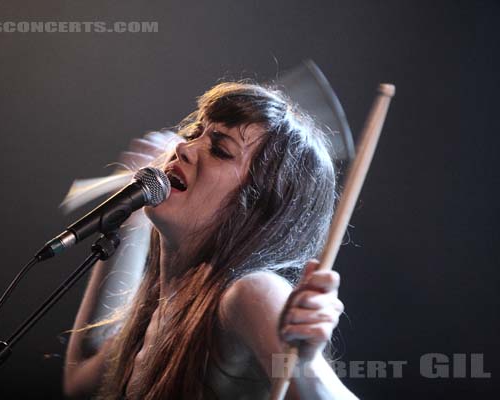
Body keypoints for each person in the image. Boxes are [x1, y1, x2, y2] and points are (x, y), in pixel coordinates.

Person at [63, 82, 358, 399]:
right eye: (194, 134)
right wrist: (130, 211)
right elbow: (82, 381)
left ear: (256, 207)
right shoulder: (164, 304)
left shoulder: (252, 292)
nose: (183, 148)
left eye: (220, 150)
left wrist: (304, 365)